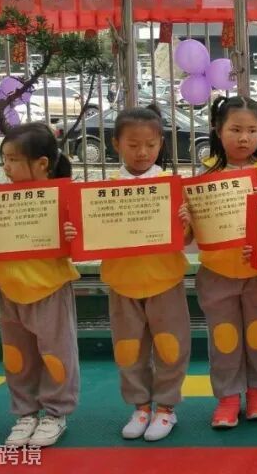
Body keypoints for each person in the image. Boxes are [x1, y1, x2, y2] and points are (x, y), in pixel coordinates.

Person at [67, 106, 192, 441]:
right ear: (116, 144)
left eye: (150, 145)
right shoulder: (103, 192)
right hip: (122, 283)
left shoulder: (171, 187)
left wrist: (186, 223)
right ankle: (140, 406)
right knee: (128, 348)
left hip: (166, 280)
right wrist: (75, 233)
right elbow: (88, 237)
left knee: (170, 347)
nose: (142, 152)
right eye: (133, 145)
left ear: (161, 143)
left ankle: (166, 408)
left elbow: (187, 239)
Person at [191, 96, 257, 429]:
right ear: (218, 130)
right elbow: (192, 228)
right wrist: (185, 216)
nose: (244, 138)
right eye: (235, 130)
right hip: (217, 270)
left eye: (252, 130)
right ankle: (228, 397)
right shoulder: (204, 174)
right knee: (224, 336)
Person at [0, 123, 80, 448]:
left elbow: (82, 242)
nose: (6, 166)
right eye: (4, 159)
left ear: (42, 164)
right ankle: (25, 413)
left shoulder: (64, 197)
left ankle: (55, 413)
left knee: (56, 353)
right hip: (9, 288)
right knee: (17, 357)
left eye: (14, 160)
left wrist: (73, 235)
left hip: (49, 287)